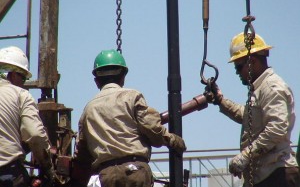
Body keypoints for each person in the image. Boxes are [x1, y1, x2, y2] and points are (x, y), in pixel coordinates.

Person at [74, 49, 186, 187]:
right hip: (135, 172)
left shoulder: (88, 109)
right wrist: (173, 140)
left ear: (96, 81)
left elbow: (82, 153)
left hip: (106, 177)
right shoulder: (132, 97)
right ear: (123, 77)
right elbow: (152, 129)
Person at [204, 33, 300, 187]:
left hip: (277, 175)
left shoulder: (272, 87)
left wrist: (246, 156)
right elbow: (250, 119)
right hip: (265, 176)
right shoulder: (261, 89)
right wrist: (221, 101)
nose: (237, 72)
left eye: (238, 67)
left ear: (252, 61)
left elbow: (276, 128)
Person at [0, 46, 57, 186]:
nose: (24, 84)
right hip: (7, 174)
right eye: (24, 79)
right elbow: (35, 135)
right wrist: (48, 168)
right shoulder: (20, 95)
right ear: (13, 75)